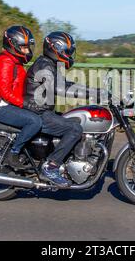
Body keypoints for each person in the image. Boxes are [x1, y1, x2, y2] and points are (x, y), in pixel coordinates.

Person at [24, 31, 102, 186]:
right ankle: (51, 166)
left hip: (42, 110)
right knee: (75, 129)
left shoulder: (49, 64)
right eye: (67, 52)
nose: (69, 55)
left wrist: (93, 91)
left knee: (74, 120)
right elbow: (59, 89)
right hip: (37, 113)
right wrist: (92, 94)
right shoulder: (44, 65)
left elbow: (66, 84)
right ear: (56, 49)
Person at [0, 26, 42, 167]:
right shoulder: (6, 61)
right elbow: (5, 92)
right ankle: (14, 153)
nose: (27, 51)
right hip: (0, 106)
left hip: (8, 104)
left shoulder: (15, 62)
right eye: (24, 47)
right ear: (13, 45)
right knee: (34, 122)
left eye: (28, 47)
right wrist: (26, 104)